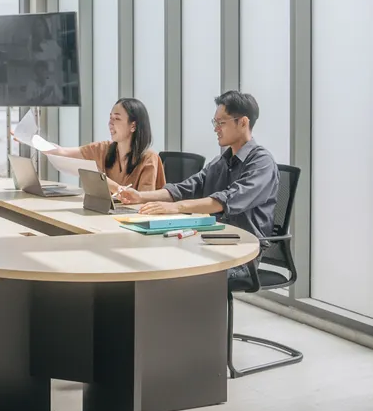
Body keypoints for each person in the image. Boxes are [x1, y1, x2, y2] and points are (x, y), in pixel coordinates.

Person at [118, 91, 279, 279]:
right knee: (153, 260)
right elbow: (187, 188)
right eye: (215, 123)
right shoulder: (222, 161)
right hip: (212, 240)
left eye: (221, 123)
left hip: (242, 251)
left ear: (243, 122)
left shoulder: (262, 162)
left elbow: (226, 200)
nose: (216, 129)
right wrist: (140, 196)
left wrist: (175, 207)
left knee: (177, 273)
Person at [21, 98, 166, 192]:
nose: (110, 123)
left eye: (117, 119)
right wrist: (31, 139)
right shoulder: (103, 149)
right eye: (110, 118)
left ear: (133, 126)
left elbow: (142, 201)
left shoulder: (148, 158)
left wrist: (110, 185)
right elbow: (62, 152)